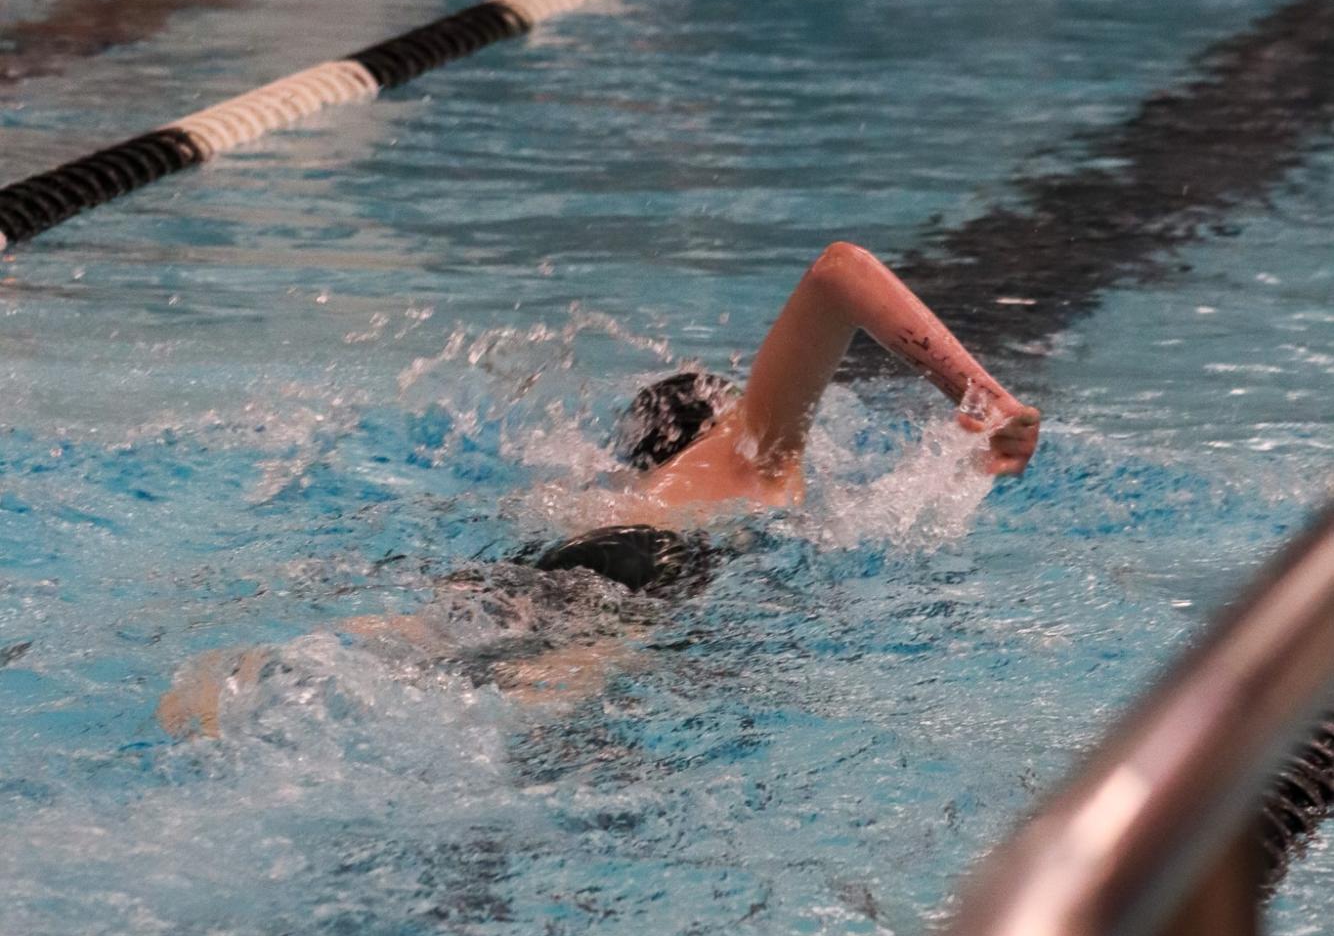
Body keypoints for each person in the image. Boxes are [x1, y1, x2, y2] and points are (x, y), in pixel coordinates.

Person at [157, 243, 1038, 735]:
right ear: (714, 413)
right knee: (514, 726)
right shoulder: (754, 452)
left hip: (534, 564)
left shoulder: (626, 485)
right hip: (640, 570)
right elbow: (839, 270)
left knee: (412, 642)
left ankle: (216, 686)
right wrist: (982, 397)